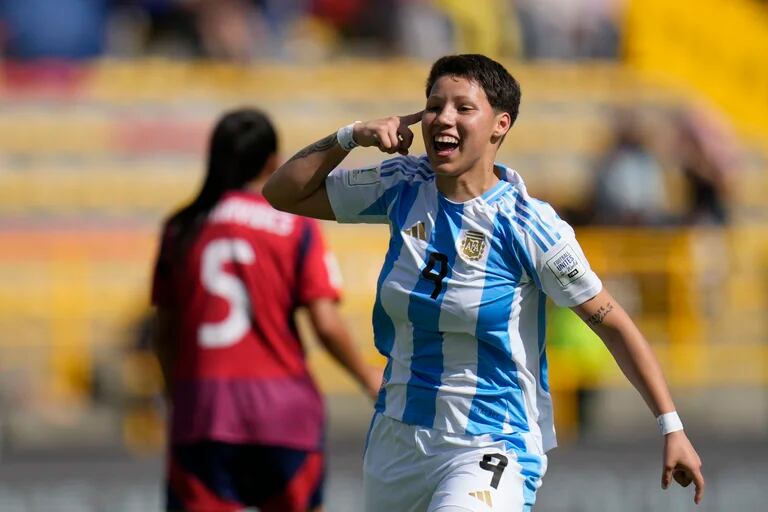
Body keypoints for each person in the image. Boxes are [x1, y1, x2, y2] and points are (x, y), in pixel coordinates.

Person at [263, 54, 705, 511]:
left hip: (489, 443)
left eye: (462, 108)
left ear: (500, 124)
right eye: (434, 106)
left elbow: (612, 323)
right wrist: (350, 135)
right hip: (395, 440)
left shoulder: (529, 226)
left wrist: (671, 427)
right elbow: (282, 192)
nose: (443, 118)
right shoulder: (403, 185)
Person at [150, 107, 380, 512]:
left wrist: (179, 396)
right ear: (273, 161)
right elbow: (325, 324)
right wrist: (367, 377)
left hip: (205, 409)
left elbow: (164, 334)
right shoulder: (294, 225)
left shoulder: (181, 227)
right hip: (283, 412)